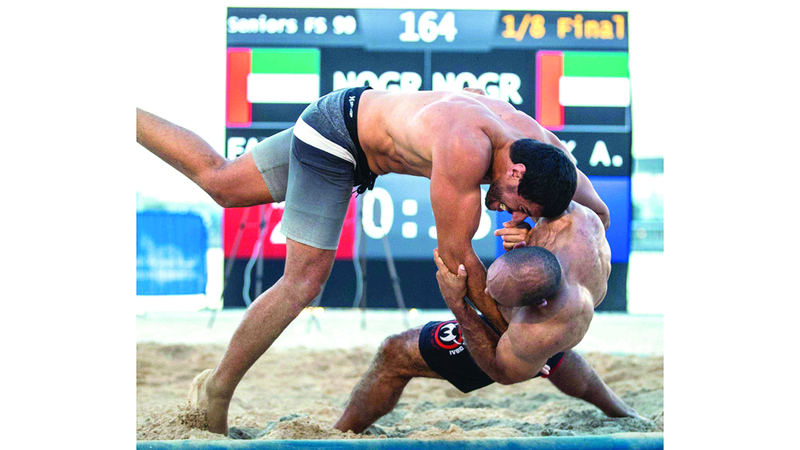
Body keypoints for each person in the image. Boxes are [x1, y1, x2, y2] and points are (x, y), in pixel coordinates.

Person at [137, 87, 609, 435]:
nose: (512, 214)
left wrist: (535, 239)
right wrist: (508, 332)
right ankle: (217, 390)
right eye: (517, 205)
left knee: (222, 182)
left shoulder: (545, 150)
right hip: (336, 141)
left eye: (523, 215)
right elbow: (455, 262)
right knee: (304, 282)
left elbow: (599, 215)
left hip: (350, 114)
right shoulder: (465, 147)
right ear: (516, 171)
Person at [334, 201, 641, 433]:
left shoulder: (529, 331)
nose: (487, 293)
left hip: (521, 342)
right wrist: (528, 234)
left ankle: (341, 433)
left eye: (498, 296)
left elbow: (502, 371)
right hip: (555, 324)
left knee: (394, 352)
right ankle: (624, 412)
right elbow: (601, 211)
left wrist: (458, 305)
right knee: (553, 350)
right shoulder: (579, 220)